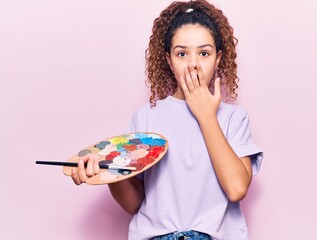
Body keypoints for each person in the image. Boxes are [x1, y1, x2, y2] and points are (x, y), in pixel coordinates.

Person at [71, 0, 263, 239]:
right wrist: (107, 173)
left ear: (218, 58)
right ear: (169, 61)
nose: (193, 63)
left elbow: (236, 189)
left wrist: (205, 115)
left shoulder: (234, 118)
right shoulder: (146, 117)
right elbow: (133, 203)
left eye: (204, 53)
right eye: (181, 53)